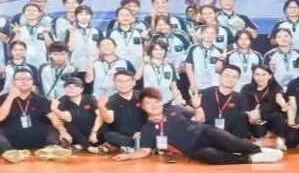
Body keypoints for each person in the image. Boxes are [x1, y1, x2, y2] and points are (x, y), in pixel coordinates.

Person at [115, 88, 284, 165]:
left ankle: (258, 150)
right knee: (211, 157)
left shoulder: (175, 109)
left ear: (161, 102)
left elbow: (200, 118)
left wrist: (197, 106)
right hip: (194, 148)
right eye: (149, 103)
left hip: (206, 133)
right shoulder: (147, 129)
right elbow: (144, 151)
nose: (153, 106)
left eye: (156, 102)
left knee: (230, 140)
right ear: (142, 107)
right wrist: (128, 157)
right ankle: (252, 159)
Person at [0, 69, 69, 162]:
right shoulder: (3, 98)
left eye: (27, 79)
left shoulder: (41, 99)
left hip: (36, 135)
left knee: (53, 127)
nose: (24, 81)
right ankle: (9, 152)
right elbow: (0, 117)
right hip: (12, 137)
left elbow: (53, 118)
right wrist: (10, 97)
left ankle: (51, 149)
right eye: (20, 79)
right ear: (13, 82)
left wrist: (63, 131)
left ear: (32, 81)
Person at [195, 65, 258, 140]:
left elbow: (245, 122)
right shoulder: (203, 94)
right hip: (207, 136)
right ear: (220, 76)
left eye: (234, 77)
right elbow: (198, 120)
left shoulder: (242, 98)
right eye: (226, 75)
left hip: (231, 138)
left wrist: (253, 120)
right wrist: (197, 107)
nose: (229, 79)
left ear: (238, 80)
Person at [241, 65, 290, 150]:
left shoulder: (275, 87)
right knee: (256, 125)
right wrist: (251, 114)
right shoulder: (246, 88)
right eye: (257, 74)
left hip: (271, 117)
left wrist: (284, 105)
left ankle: (280, 141)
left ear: (270, 76)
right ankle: (257, 140)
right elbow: (243, 104)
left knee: (277, 116)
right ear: (253, 75)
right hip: (254, 117)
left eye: (264, 74)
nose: (260, 77)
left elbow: (279, 98)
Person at [96, 70, 148, 151]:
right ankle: (137, 145)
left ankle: (133, 146)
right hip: (123, 135)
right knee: (108, 135)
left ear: (133, 82)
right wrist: (101, 106)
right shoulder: (111, 100)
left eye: (127, 81)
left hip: (142, 132)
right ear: (114, 83)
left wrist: (143, 132)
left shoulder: (143, 96)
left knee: (153, 132)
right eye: (119, 81)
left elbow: (153, 115)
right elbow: (109, 120)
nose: (123, 84)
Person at [53, 76, 101, 153]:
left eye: (75, 87)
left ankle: (81, 145)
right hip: (76, 132)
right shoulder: (62, 101)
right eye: (68, 86)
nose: (71, 89)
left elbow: (99, 116)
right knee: (68, 124)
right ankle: (88, 146)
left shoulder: (90, 99)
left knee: (103, 122)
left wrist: (94, 132)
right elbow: (68, 118)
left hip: (93, 130)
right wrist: (54, 109)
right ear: (64, 89)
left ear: (81, 89)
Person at [86, 35, 135, 100]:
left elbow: (133, 80)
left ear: (115, 47)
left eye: (109, 45)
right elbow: (88, 80)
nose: (106, 47)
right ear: (99, 49)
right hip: (98, 98)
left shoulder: (125, 63)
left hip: (119, 98)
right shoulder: (95, 63)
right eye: (103, 45)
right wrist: (90, 61)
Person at [183, 25, 224, 102]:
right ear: (201, 34)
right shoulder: (193, 48)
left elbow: (219, 70)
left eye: (212, 33)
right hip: (198, 85)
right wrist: (192, 83)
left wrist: (221, 60)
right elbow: (188, 67)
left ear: (216, 35)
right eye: (206, 32)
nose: (209, 35)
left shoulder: (220, 50)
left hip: (214, 85)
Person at [11, 2, 54, 67]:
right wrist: (17, 34)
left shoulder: (45, 29)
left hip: (42, 63)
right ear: (23, 14)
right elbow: (12, 47)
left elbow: (52, 47)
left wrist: (46, 35)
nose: (31, 12)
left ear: (39, 13)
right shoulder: (18, 29)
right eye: (28, 10)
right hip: (22, 64)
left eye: (34, 11)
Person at [65, 5, 102, 72]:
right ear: (76, 16)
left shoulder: (97, 31)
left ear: (91, 16)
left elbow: (101, 49)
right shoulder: (71, 30)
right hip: (76, 65)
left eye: (87, 14)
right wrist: (72, 34)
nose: (84, 17)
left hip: (94, 65)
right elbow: (70, 49)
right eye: (81, 14)